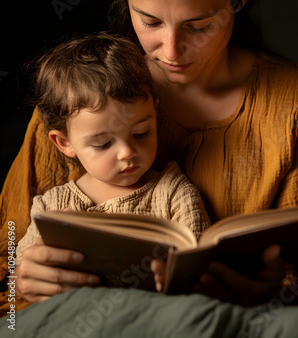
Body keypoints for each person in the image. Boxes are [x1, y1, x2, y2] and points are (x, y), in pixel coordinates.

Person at [1, 0, 298, 309]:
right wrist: (19, 275)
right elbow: (8, 244)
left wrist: (278, 294)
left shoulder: (295, 109)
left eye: (199, 25)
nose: (170, 52)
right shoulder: (77, 96)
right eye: (150, 21)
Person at [14, 32, 210, 280]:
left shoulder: (173, 193)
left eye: (141, 133)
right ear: (64, 143)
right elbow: (24, 273)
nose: (127, 152)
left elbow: (201, 266)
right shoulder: (51, 207)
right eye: (103, 143)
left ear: (155, 113)